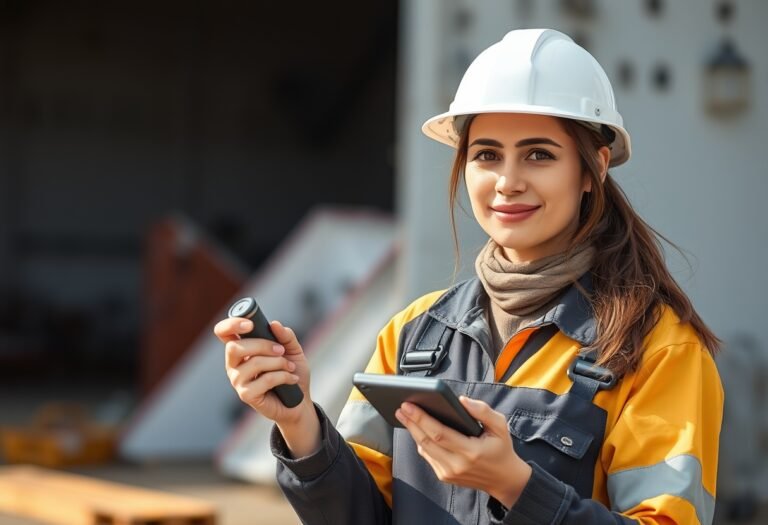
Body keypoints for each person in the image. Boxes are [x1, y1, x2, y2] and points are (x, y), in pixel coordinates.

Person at [215, 28, 723, 524]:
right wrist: (300, 421)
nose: (508, 181)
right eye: (486, 155)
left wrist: (517, 487)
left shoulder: (656, 348)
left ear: (594, 170)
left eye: (539, 154)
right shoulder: (412, 332)